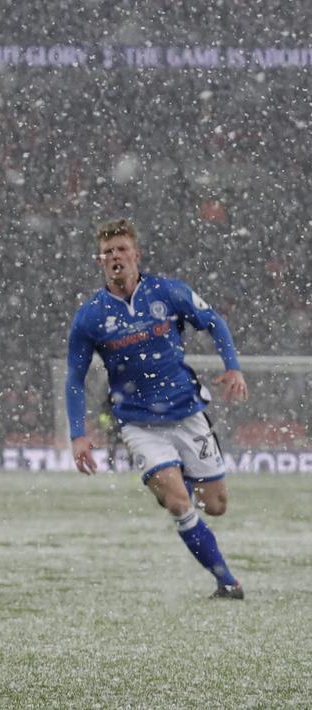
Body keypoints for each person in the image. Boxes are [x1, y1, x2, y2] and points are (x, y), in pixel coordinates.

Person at [66, 218, 248, 599]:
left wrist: (232, 366)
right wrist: (77, 435)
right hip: (138, 424)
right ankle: (227, 582)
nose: (115, 257)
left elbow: (213, 321)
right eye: (108, 252)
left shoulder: (168, 292)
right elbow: (74, 378)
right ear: (100, 262)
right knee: (179, 503)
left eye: (121, 249)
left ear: (137, 255)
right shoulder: (91, 316)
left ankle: (176, 472)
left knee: (216, 505)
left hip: (187, 414)